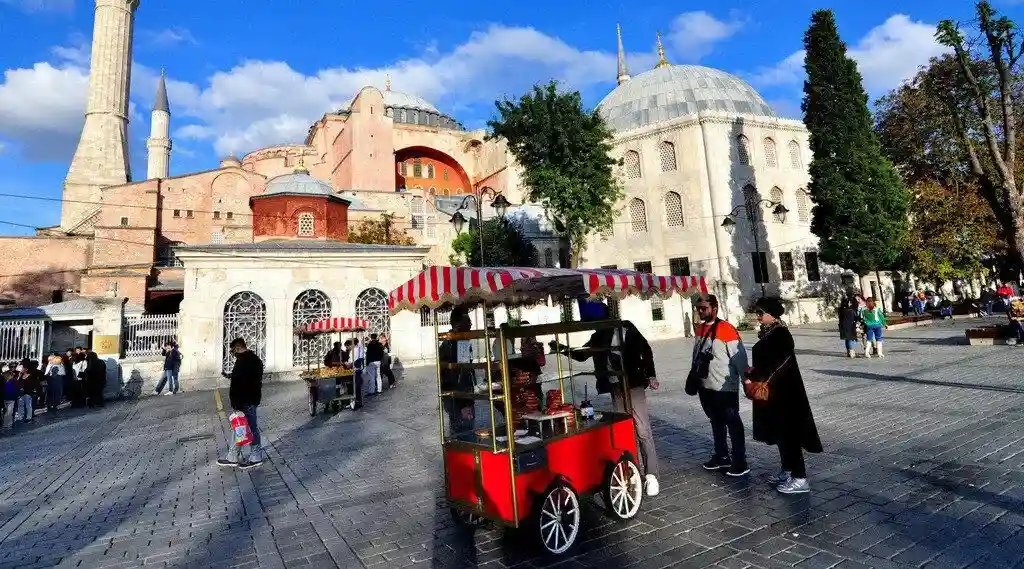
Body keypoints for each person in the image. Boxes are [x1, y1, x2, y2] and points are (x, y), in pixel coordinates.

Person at [554, 299, 661, 497]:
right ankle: (630, 469)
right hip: (615, 386)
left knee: (642, 429)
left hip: (634, 383)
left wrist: (651, 374)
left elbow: (646, 350)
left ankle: (651, 475)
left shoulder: (626, 327)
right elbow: (582, 355)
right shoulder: (599, 336)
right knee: (623, 429)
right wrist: (561, 348)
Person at [747, 297, 822, 494]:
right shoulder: (769, 332)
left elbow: (780, 363)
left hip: (785, 393)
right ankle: (787, 469)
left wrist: (763, 379)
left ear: (771, 314)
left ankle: (800, 477)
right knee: (780, 434)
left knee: (790, 434)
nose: (758, 316)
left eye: (761, 313)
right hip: (774, 393)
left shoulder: (781, 334)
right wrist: (753, 373)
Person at [690, 295, 750, 476]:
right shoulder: (699, 328)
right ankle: (722, 456)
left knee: (733, 422)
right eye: (698, 308)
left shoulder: (726, 329)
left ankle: (740, 460)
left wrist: (746, 380)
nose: (700, 311)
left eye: (704, 308)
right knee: (715, 421)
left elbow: (740, 358)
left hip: (724, 387)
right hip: (706, 385)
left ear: (715, 308)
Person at [218, 338, 265, 469]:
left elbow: (243, 383)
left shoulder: (245, 361)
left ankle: (256, 456)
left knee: (250, 427)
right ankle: (232, 456)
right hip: (248, 400)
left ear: (238, 348)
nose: (233, 354)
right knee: (239, 427)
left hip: (246, 401)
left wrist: (238, 403)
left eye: (233, 351)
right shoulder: (253, 360)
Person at [437, 306, 477, 436]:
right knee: (465, 433)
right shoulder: (461, 342)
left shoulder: (446, 342)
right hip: (460, 398)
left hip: (451, 397)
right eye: (468, 321)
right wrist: (466, 403)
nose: (471, 324)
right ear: (458, 323)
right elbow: (463, 372)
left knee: (456, 432)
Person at [838, 291, 861, 358]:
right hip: (850, 327)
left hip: (843, 327)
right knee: (851, 339)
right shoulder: (851, 310)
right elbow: (856, 318)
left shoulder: (841, 310)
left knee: (847, 339)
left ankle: (848, 352)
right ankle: (852, 353)